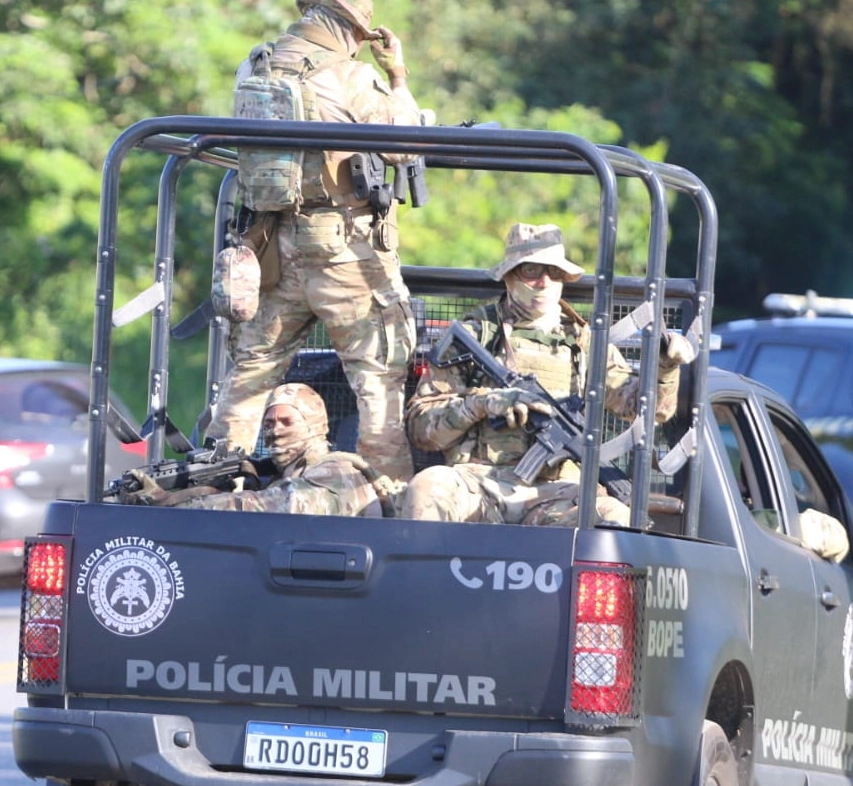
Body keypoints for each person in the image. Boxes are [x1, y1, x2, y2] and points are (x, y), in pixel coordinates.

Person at [206, 0, 424, 481]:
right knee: (377, 383)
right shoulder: (350, 77)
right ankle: (386, 505)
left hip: (270, 249)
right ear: (352, 27)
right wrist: (399, 77)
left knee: (249, 376)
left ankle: (214, 490)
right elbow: (403, 142)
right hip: (344, 253)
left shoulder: (255, 65)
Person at [401, 222, 694, 526]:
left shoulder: (585, 343)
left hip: (557, 494)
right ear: (509, 277)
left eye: (553, 273)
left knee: (614, 519)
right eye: (531, 271)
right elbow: (421, 430)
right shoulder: (478, 335)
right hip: (479, 485)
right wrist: (482, 404)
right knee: (429, 488)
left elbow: (653, 412)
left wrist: (665, 369)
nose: (543, 282)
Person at [125, 384, 401, 517]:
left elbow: (278, 506)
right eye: (268, 423)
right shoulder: (279, 477)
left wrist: (176, 504)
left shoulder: (336, 470)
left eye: (286, 421)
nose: (275, 430)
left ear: (314, 424)